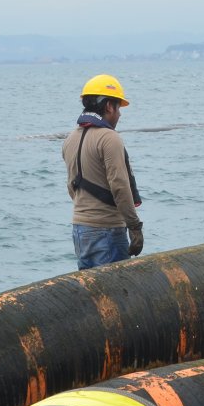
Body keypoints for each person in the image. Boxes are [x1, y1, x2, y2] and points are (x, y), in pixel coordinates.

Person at [62, 74, 144, 270]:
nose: (120, 114)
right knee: (118, 287)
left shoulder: (70, 139)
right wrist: (134, 227)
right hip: (107, 230)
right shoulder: (109, 138)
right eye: (118, 107)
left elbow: (71, 187)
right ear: (108, 106)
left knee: (90, 286)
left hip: (80, 230)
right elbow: (120, 186)